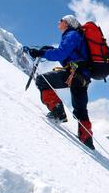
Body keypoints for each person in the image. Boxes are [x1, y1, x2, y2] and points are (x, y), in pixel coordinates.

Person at [25, 15, 95, 150]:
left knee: (42, 80)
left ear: (68, 23)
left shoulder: (71, 34)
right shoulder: (77, 36)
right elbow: (67, 56)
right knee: (80, 109)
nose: (59, 22)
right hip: (83, 78)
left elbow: (61, 54)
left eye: (61, 20)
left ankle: (58, 113)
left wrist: (40, 53)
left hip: (74, 75)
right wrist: (49, 50)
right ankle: (87, 139)